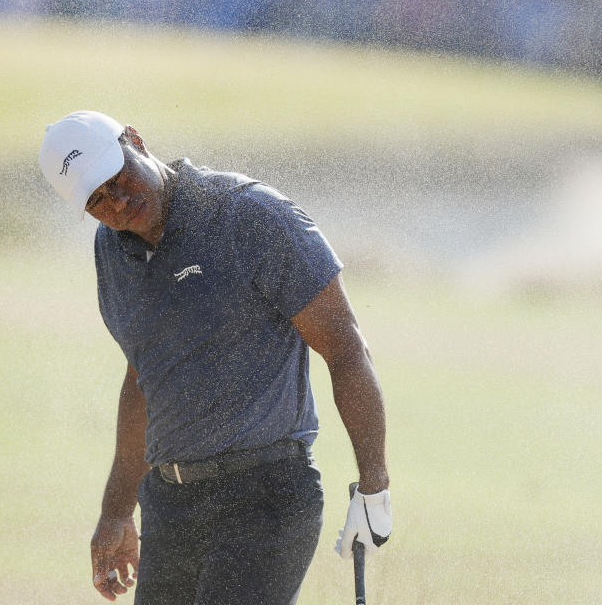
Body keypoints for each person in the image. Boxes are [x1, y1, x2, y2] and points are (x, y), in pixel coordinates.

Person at [38, 110, 392, 605]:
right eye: (97, 200)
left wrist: (374, 487)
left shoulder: (245, 214)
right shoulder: (111, 253)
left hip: (265, 496)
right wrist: (117, 511)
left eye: (116, 178)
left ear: (134, 140)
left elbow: (344, 344)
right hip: (170, 504)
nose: (117, 203)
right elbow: (143, 376)